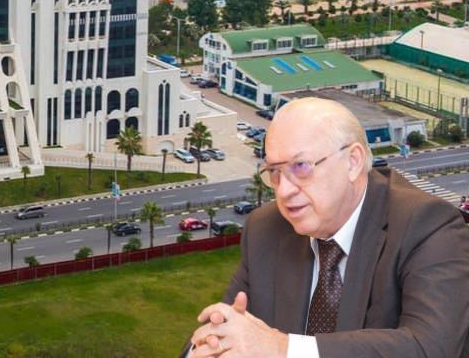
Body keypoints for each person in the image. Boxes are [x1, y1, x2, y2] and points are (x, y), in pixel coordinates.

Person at [186, 97, 469, 358]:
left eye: (301, 166)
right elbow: (224, 331)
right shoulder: (266, 228)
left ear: (353, 162)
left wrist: (282, 348)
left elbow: (432, 347)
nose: (283, 190)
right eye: (274, 172)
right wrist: (210, 348)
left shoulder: (428, 225)